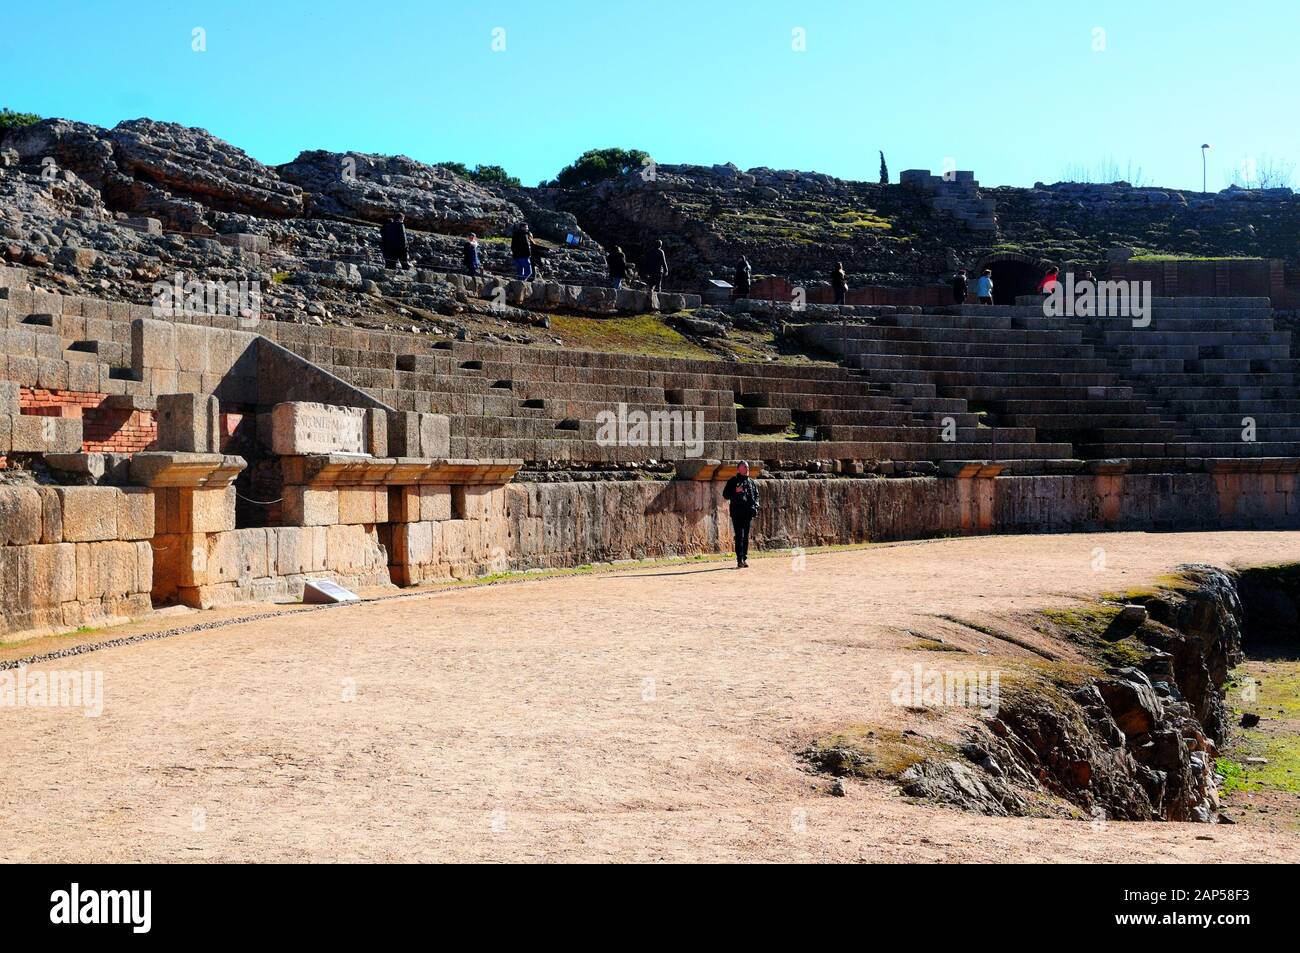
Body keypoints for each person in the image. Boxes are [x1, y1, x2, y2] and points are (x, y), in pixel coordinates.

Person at [722, 461, 760, 569]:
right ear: (738, 469)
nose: (747, 468)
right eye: (744, 467)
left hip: (747, 513)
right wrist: (735, 490)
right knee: (739, 536)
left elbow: (756, 496)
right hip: (737, 512)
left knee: (746, 536)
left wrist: (755, 506)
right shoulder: (733, 481)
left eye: (747, 467)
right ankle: (740, 559)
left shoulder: (751, 482)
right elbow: (725, 495)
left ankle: (744, 558)